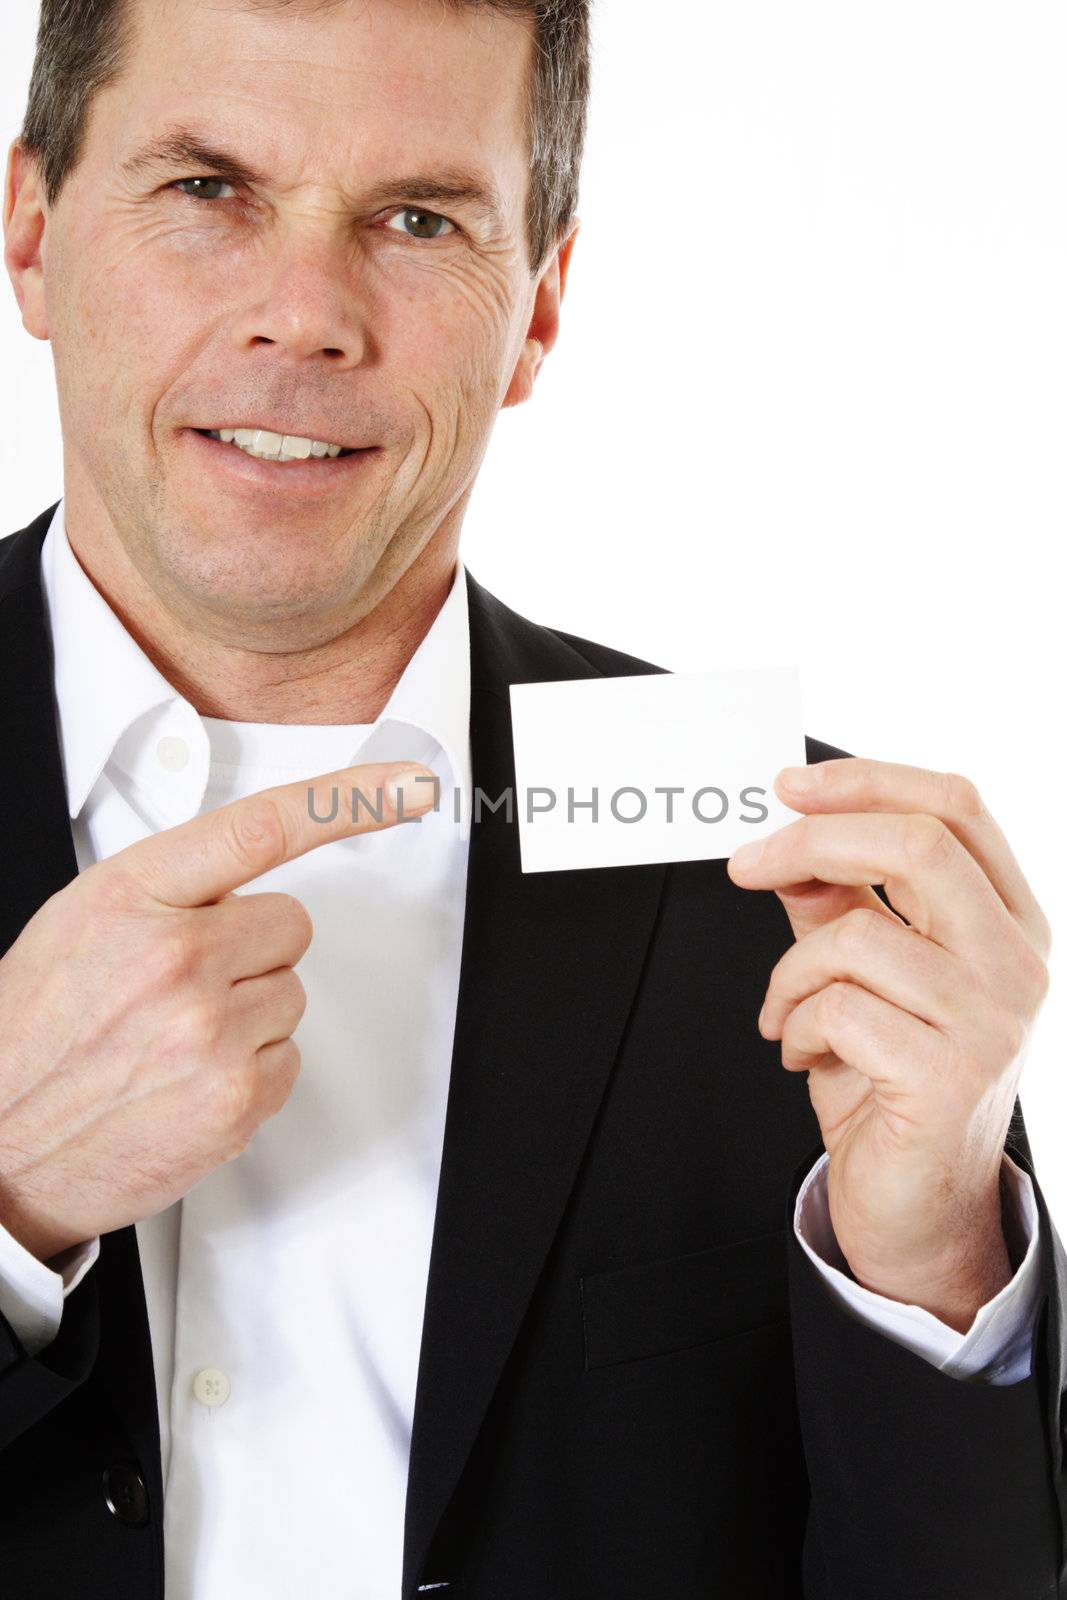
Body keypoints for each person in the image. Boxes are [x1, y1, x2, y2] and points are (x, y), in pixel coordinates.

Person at [0, 2, 1062, 1596]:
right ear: (29, 233)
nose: (305, 317)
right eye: (206, 190)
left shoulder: (792, 875)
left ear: (543, 306)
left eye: (417, 219)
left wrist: (931, 1271)